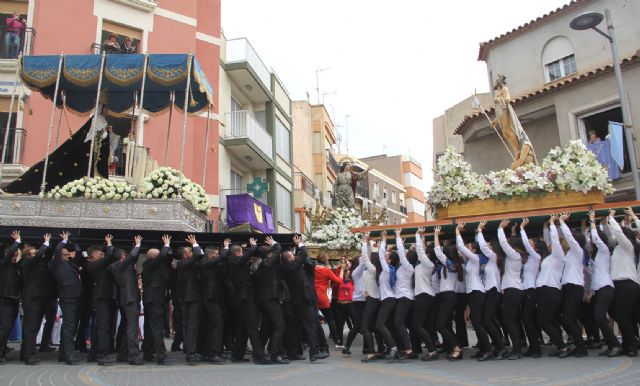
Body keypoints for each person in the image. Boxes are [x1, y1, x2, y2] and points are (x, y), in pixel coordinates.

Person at [280, 235, 324, 362]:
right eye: (292, 254)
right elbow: (304, 252)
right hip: (304, 301)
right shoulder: (294, 266)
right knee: (310, 326)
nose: (294, 255)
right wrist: (299, 244)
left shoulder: (284, 268)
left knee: (294, 328)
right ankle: (314, 353)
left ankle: (293, 353)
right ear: (289, 258)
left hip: (293, 302)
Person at [455, 223, 492, 361]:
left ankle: (487, 349)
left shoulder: (476, 259)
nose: (468, 247)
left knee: (477, 322)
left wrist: (457, 231)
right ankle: (483, 348)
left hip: (477, 291)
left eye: (470, 246)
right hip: (473, 292)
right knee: (476, 321)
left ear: (474, 250)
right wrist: (478, 231)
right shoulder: (472, 261)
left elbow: (460, 247)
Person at [587, 211, 622, 357]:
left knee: (599, 317)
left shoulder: (604, 250)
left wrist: (593, 222)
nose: (589, 241)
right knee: (601, 317)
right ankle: (611, 344)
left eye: (591, 240)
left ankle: (615, 345)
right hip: (599, 289)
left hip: (606, 287)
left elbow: (596, 238)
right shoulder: (594, 256)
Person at [607, 208, 640, 356]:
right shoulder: (617, 249)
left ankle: (631, 346)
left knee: (621, 315)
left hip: (628, 284)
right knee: (616, 313)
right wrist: (623, 221)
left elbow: (619, 233)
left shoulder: (629, 247)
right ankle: (630, 342)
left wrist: (611, 218)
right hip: (618, 285)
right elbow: (616, 234)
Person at [48, 231, 84, 365]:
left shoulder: (70, 264)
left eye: (68, 254)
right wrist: (63, 241)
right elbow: (58, 251)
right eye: (65, 254)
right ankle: (69, 356)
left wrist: (71, 243)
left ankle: (64, 354)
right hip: (68, 298)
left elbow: (78, 253)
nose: (67, 256)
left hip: (75, 297)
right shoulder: (55, 264)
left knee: (70, 327)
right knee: (69, 327)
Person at [557, 212, 588, 358]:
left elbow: (569, 237)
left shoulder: (578, 251)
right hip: (568, 287)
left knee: (568, 318)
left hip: (574, 287)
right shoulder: (570, 253)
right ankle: (579, 345)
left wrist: (563, 222)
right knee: (567, 318)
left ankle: (581, 347)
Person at [19, 233, 52, 365]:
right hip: (32, 298)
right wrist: (45, 243)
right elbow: (39, 256)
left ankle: (25, 353)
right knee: (31, 327)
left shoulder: (40, 264)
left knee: (34, 326)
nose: (35, 255)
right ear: (27, 256)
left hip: (39, 298)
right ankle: (29, 355)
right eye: (32, 253)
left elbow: (45, 256)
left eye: (35, 253)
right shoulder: (27, 263)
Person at [110, 236, 143, 365]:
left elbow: (132, 258)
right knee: (132, 328)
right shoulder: (118, 266)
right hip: (129, 299)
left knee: (126, 327)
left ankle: (123, 354)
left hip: (127, 299)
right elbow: (131, 258)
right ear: (122, 256)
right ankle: (134, 356)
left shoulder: (118, 266)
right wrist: (138, 245)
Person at [492, 74, 537, 169]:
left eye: (496, 83)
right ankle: (515, 149)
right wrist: (496, 121)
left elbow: (507, 99)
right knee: (504, 133)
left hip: (504, 109)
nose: (495, 85)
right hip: (500, 111)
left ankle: (517, 150)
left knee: (507, 130)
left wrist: (499, 100)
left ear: (500, 82)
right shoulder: (500, 91)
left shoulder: (504, 89)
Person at [539, 216, 569, 356]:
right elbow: (550, 240)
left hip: (551, 290)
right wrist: (547, 226)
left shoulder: (559, 256)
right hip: (545, 290)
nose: (549, 244)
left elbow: (555, 241)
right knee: (551, 320)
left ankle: (562, 346)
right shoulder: (550, 257)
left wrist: (552, 224)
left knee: (544, 321)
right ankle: (560, 345)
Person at [477, 222, 507, 359]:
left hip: (493, 292)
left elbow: (483, 246)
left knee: (487, 321)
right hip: (490, 291)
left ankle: (501, 347)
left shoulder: (494, 258)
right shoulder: (491, 260)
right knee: (488, 321)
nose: (487, 247)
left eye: (490, 246)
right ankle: (498, 346)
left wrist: (479, 231)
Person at [433, 226, 464, 360]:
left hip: (448, 296)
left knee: (440, 325)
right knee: (445, 324)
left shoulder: (450, 264)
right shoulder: (455, 264)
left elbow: (438, 252)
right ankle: (455, 347)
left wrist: (436, 234)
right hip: (449, 296)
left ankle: (457, 348)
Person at [86, 235, 117, 366]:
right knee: (103, 327)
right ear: (93, 254)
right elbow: (109, 256)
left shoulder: (100, 265)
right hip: (101, 298)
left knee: (99, 327)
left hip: (105, 297)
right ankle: (102, 355)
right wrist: (109, 243)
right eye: (100, 253)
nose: (102, 255)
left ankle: (93, 353)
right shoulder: (92, 265)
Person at [141, 235, 173, 365]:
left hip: (153, 300)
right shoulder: (148, 264)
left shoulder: (157, 267)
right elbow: (161, 258)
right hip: (154, 300)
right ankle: (161, 355)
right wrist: (166, 245)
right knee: (157, 327)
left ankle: (148, 354)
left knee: (150, 328)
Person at [176, 235, 204, 364]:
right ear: (184, 255)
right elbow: (198, 254)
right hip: (190, 299)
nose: (191, 253)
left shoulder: (188, 264)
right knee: (191, 326)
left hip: (194, 298)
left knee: (194, 325)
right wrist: (195, 243)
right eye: (189, 252)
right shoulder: (183, 263)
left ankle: (193, 350)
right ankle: (190, 354)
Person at [199, 240, 228, 363]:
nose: (217, 256)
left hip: (214, 298)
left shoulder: (212, 264)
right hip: (210, 299)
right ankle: (214, 353)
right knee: (217, 324)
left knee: (212, 326)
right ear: (210, 255)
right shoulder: (205, 262)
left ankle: (210, 351)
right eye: (215, 254)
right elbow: (219, 259)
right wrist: (225, 249)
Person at [412, 228, 438, 361]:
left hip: (424, 296)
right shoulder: (424, 264)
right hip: (423, 295)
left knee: (417, 325)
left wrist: (417, 235)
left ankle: (432, 351)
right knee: (424, 325)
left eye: (425, 252)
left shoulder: (429, 264)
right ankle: (432, 348)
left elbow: (420, 253)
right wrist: (421, 240)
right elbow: (421, 252)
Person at [519, 218, 543, 358]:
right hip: (526, 290)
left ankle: (535, 347)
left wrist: (522, 229)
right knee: (527, 320)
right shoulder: (527, 259)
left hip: (531, 290)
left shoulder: (536, 257)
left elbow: (526, 246)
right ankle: (533, 345)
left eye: (531, 244)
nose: (528, 245)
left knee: (528, 319)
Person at [391, 229, 415, 359]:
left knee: (399, 323)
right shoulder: (403, 267)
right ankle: (404, 348)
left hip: (405, 297)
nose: (403, 256)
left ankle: (408, 349)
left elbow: (400, 253)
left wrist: (398, 237)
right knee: (400, 323)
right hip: (402, 297)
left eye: (406, 255)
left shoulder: (408, 267)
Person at [0, 231, 23, 364]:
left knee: (7, 328)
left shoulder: (16, 267)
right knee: (5, 327)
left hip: (14, 299)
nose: (15, 256)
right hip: (5, 299)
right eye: (13, 254)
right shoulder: (3, 265)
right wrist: (17, 241)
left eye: (16, 254)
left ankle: (3, 351)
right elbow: (9, 254)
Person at [314, 252, 342, 352]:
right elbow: (338, 280)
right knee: (330, 319)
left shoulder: (313, 268)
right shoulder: (326, 270)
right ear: (325, 260)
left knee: (313, 319)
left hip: (312, 296)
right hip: (322, 297)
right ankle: (336, 340)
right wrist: (341, 271)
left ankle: (311, 341)